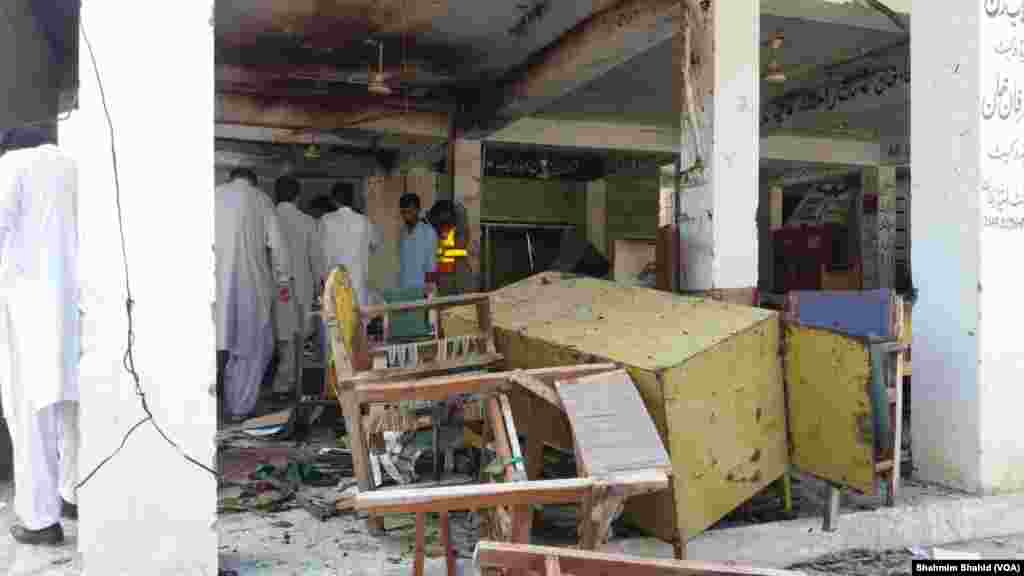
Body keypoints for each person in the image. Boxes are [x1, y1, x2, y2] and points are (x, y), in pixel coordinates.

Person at [0, 126, 81, 546]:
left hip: (27, 311)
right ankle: (75, 494)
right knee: (75, 408)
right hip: (81, 311)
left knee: (30, 415)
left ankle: (39, 520)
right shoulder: (76, 169)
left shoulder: (11, 167)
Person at [215, 167, 291, 423]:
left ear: (231, 179)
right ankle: (239, 408)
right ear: (254, 182)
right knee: (251, 348)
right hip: (252, 286)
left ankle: (207, 407)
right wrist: (282, 280)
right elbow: (278, 247)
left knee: (215, 344)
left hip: (215, 284)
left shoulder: (215, 196)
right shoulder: (262, 200)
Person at [270, 176, 320, 399]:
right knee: (300, 337)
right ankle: (295, 385)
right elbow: (316, 259)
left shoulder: (268, 218)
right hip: (302, 286)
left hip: (275, 287)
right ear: (298, 196)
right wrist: (320, 287)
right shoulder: (308, 222)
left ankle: (283, 385)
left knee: (281, 337)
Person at [319, 182, 380, 308]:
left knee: (337, 324)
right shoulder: (364, 221)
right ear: (352, 200)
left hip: (335, 285)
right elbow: (375, 244)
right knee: (358, 324)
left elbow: (319, 252)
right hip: (358, 285)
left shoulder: (326, 220)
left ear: (333, 200)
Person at [398, 192, 438, 291]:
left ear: (418, 210)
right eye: (403, 212)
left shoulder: (428, 232)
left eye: (410, 212)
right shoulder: (403, 232)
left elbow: (431, 265)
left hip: (422, 290)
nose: (406, 216)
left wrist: (429, 293)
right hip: (404, 288)